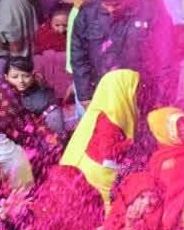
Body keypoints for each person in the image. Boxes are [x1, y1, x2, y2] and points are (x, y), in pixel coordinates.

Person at [70, 0, 173, 104]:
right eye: (106, 5)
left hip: (142, 92)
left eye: (117, 5)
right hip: (102, 90)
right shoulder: (88, 14)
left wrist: (163, 97)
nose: (111, 10)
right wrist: (85, 95)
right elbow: (78, 57)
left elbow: (165, 56)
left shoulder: (150, 11)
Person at [60, 69, 140, 201]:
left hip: (96, 168)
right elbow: (108, 152)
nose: (136, 92)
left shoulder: (108, 111)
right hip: (99, 174)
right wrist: (130, 142)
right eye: (133, 88)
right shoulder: (110, 121)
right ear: (120, 91)